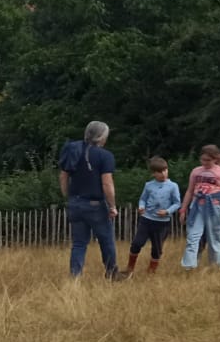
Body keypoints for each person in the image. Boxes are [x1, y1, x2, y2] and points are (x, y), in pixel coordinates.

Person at [57, 120, 120, 280]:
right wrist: (112, 205)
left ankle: (75, 277)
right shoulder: (105, 156)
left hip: (75, 203)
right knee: (106, 240)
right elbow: (107, 183)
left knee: (79, 243)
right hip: (95, 205)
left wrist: (67, 195)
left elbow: (63, 175)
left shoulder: (73, 151)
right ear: (102, 137)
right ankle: (112, 273)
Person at [125, 156, 181, 277]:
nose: (163, 174)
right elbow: (143, 199)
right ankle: (130, 269)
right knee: (137, 243)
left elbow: (177, 203)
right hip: (147, 219)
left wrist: (167, 211)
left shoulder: (173, 186)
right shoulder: (149, 185)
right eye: (160, 172)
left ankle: (151, 273)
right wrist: (141, 206)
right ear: (154, 173)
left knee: (157, 249)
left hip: (162, 223)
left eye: (165, 170)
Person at [179, 144, 220, 270]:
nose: (205, 162)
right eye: (203, 159)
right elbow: (190, 191)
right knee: (193, 236)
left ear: (215, 159)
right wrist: (183, 209)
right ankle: (189, 266)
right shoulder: (196, 171)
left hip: (214, 207)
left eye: (208, 160)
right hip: (197, 206)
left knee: (214, 238)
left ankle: (216, 266)